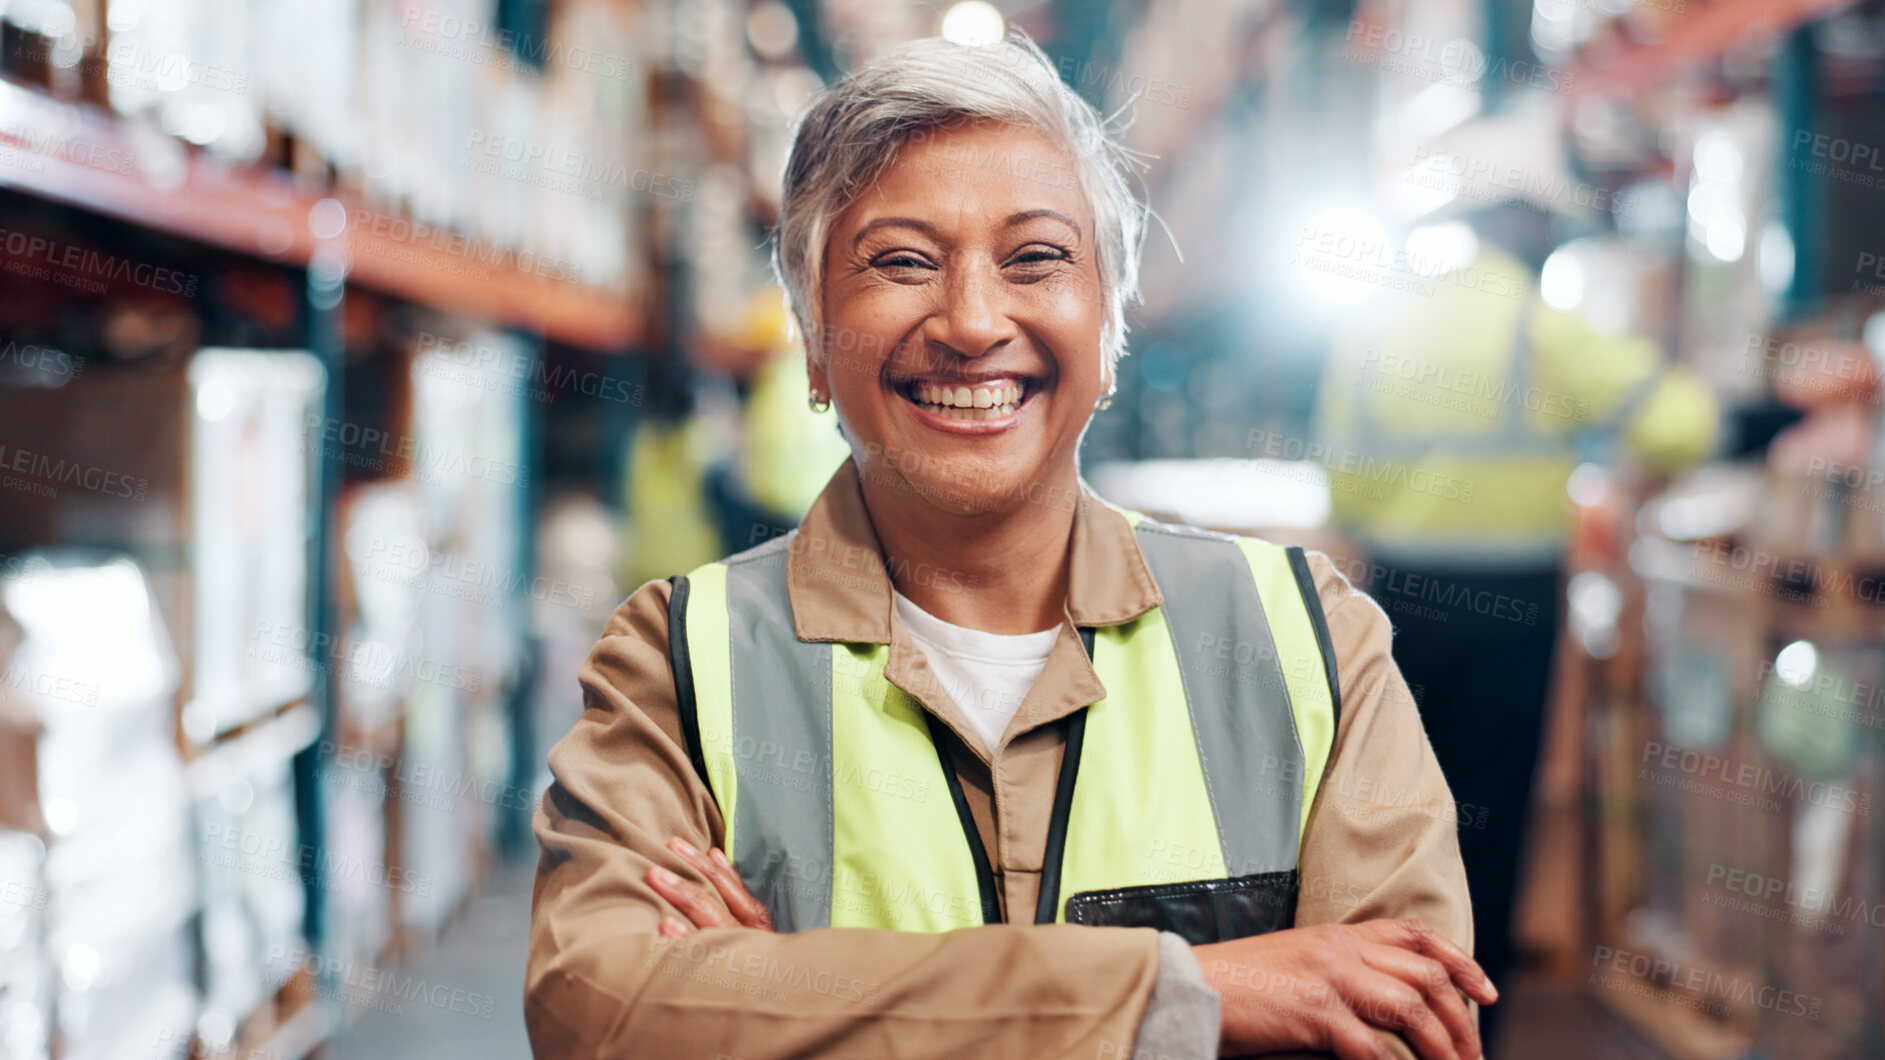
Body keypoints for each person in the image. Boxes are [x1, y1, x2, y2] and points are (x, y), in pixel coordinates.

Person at [530, 33, 1493, 1060]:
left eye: (1035, 257)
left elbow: (1403, 1021)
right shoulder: (680, 662)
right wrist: (1183, 991)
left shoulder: (1308, 641)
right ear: (813, 343)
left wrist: (788, 1000)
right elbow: (608, 1011)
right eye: (901, 262)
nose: (972, 320)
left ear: (1110, 329)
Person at [1315, 197, 1718, 1040]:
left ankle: (1375, 1018)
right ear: (1531, 228)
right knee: (1481, 824)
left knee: (1382, 810)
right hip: (1511, 607)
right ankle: (1461, 1030)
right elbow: (1681, 423)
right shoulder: (1540, 327)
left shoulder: (1377, 325)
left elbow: (1341, 484)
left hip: (1398, 599)